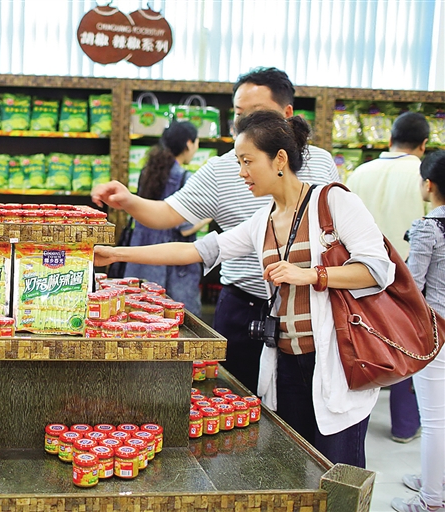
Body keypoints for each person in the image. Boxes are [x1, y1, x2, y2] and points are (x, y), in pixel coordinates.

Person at [94, 110, 392, 467]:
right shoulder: (263, 220)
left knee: (338, 470)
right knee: (296, 467)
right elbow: (196, 250)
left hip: (335, 363)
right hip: (287, 364)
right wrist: (117, 253)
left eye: (247, 161)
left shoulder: (333, 202)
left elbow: (377, 269)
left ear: (279, 159)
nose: (241, 172)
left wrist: (312, 275)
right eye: (239, 162)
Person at [92, 67, 339, 393]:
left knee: (307, 405)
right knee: (240, 398)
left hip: (314, 308)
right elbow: (192, 244)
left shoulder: (325, 177)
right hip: (247, 307)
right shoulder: (253, 213)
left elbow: (370, 264)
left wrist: (314, 276)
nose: (242, 174)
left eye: (256, 113)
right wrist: (122, 227)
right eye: (238, 113)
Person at [346, 111, 430, 444]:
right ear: (424, 144)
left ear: (390, 138)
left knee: (362, 339)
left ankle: (355, 417)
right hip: (406, 270)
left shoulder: (360, 172)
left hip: (360, 270)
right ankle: (404, 424)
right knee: (405, 341)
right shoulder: (422, 174)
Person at [392, 150, 445, 512]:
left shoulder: (428, 227)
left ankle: (430, 500)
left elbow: (413, 286)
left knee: (435, 420)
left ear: (429, 184)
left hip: (437, 332)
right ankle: (434, 480)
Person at [123, 122, 209, 317]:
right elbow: (185, 228)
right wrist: (209, 215)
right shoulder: (185, 178)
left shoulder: (148, 171)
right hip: (172, 269)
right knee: (173, 322)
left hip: (141, 259)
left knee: (139, 316)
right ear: (189, 143)